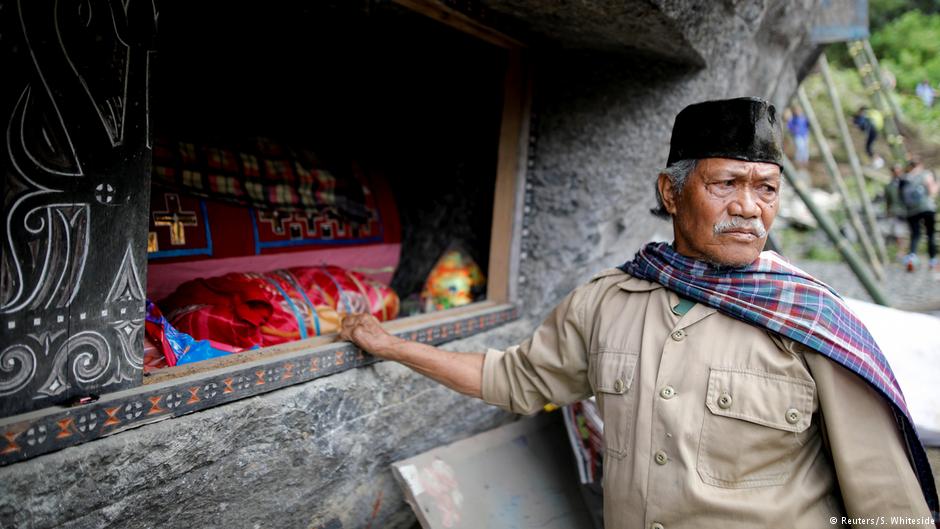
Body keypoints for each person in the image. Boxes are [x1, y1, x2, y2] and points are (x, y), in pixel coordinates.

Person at [340, 98, 938, 528]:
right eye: (727, 182)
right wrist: (393, 347)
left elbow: (889, 507)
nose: (749, 208)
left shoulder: (810, 320)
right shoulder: (607, 301)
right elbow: (513, 380)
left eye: (767, 189)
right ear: (670, 193)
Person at [900, 158, 939, 271]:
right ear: (920, 165)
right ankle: (932, 261)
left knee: (915, 235)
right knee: (930, 234)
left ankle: (912, 257)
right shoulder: (925, 174)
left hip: (911, 211)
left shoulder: (905, 178)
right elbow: (932, 191)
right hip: (927, 208)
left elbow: (901, 197)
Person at [885, 164, 911, 260]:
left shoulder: (907, 183)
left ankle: (905, 251)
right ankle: (901, 251)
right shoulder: (889, 186)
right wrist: (887, 212)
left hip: (907, 211)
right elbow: (888, 201)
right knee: (898, 233)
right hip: (896, 212)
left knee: (906, 232)